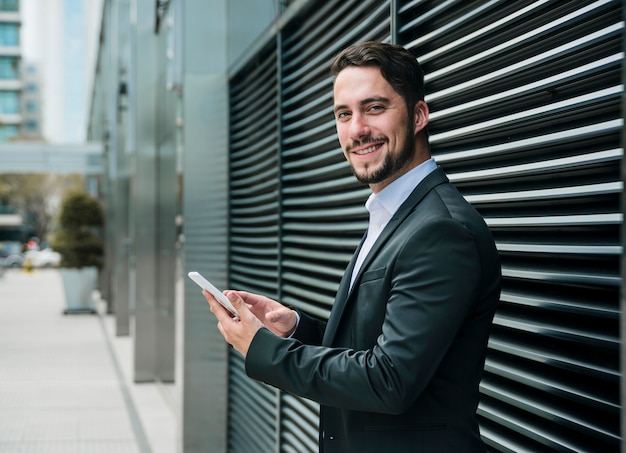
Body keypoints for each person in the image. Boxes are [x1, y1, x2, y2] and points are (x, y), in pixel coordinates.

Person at [203, 41, 501, 452]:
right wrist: (295, 329)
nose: (357, 129)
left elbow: (389, 379)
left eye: (374, 108)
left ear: (418, 116)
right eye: (344, 114)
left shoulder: (440, 231)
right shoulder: (395, 215)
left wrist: (264, 350)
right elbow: (378, 348)